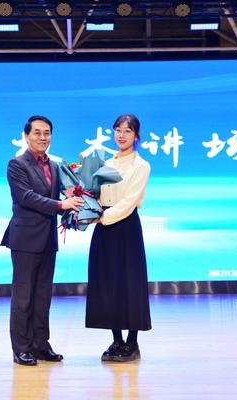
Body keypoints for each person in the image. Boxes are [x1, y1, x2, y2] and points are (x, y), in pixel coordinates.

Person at [1, 115, 84, 366]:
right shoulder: (17, 164)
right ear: (26, 136)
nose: (42, 137)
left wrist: (76, 186)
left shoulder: (55, 166)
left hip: (48, 239)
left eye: (47, 133)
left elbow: (64, 193)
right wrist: (61, 205)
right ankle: (21, 348)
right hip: (25, 240)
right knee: (23, 297)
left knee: (42, 296)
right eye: (37, 132)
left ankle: (40, 345)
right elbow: (26, 197)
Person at [86, 113, 152, 362]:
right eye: (118, 130)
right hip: (103, 227)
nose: (121, 135)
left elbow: (129, 201)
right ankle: (116, 340)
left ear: (136, 136)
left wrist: (103, 217)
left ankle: (132, 342)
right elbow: (96, 194)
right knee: (107, 283)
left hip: (125, 227)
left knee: (130, 284)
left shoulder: (141, 165)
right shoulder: (104, 163)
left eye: (127, 130)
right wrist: (84, 202)